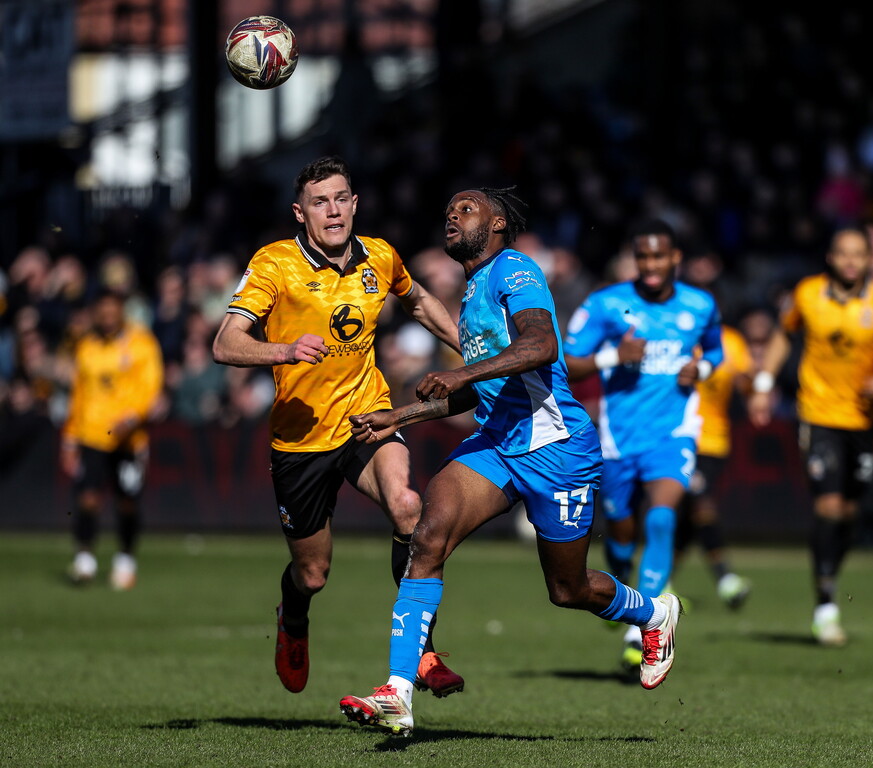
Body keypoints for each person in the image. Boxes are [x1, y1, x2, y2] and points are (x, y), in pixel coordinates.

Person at [339, 188, 682, 736]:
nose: (452, 215)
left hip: (558, 450)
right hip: (498, 443)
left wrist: (460, 372)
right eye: (447, 210)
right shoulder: (473, 288)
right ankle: (398, 691)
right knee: (427, 538)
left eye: (467, 208)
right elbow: (478, 391)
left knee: (567, 590)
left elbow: (543, 345)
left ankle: (652, 613)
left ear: (497, 222)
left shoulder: (514, 268)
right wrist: (399, 417)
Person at [212, 156, 464, 696]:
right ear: (299, 213)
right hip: (300, 441)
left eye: (342, 197)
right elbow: (224, 343)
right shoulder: (274, 264)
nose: (334, 210)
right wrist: (284, 349)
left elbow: (417, 301)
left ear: (355, 203)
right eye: (320, 201)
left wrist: (471, 355)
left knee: (408, 505)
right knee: (313, 574)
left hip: (365, 418)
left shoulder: (379, 255)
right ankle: (293, 619)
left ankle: (422, 653)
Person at [748, 226, 873, 646]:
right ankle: (825, 605)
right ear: (830, 257)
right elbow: (783, 335)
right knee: (827, 505)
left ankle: (828, 580)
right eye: (842, 253)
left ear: (869, 260)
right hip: (818, 413)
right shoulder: (808, 294)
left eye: (858, 254)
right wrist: (763, 384)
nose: (850, 261)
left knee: (848, 513)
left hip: (862, 421)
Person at [562, 219, 723, 677]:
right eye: (643, 256)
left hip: (674, 433)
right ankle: (620, 588)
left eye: (660, 256)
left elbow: (715, 350)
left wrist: (703, 372)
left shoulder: (701, 304)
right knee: (619, 533)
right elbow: (567, 362)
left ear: (676, 258)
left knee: (661, 515)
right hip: (617, 439)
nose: (651, 265)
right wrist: (614, 357)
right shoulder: (606, 303)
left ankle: (644, 629)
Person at [61, 289, 164, 590]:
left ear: (121, 311)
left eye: (112, 311)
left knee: (127, 501)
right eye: (102, 312)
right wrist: (70, 436)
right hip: (92, 435)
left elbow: (151, 385)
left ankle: (125, 560)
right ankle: (85, 559)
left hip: (129, 438)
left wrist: (134, 416)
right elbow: (78, 394)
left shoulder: (142, 343)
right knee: (87, 498)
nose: (107, 318)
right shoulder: (87, 346)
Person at [677, 322, 753, 608]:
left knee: (692, 510)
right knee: (696, 503)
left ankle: (663, 581)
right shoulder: (673, 334)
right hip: (679, 434)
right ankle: (725, 580)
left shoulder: (731, 341)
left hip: (714, 440)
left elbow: (746, 381)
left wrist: (756, 389)